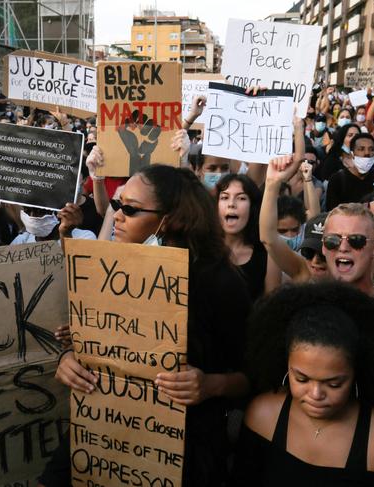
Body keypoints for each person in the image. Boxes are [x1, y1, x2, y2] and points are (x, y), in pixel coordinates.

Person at [51, 165, 252, 487]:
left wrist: (211, 385)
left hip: (179, 451)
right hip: (101, 430)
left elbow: (251, 376)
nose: (116, 216)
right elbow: (93, 349)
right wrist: (69, 361)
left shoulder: (220, 282)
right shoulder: (108, 269)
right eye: (117, 206)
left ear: (169, 219)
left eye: (129, 209)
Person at [230, 281, 374, 486]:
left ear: (357, 373)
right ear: (285, 365)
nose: (315, 394)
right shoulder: (263, 415)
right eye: (301, 379)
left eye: (333, 384)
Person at [261, 155, 329, 282]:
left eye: (294, 229)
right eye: (282, 231)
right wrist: (272, 183)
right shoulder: (274, 255)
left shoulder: (308, 266)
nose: (290, 235)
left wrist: (307, 180)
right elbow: (268, 238)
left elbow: (314, 213)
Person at [216, 174, 281, 300]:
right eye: (224, 197)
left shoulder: (268, 255)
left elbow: (271, 309)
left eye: (241, 198)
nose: (231, 204)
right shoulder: (201, 250)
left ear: (253, 207)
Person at [322, 202, 374, 307]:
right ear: (323, 247)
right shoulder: (308, 308)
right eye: (332, 240)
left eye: (356, 240)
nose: (343, 248)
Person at [326, 133, 374, 210]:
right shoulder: (338, 180)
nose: (367, 153)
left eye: (371, 149)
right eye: (361, 149)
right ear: (352, 154)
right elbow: (332, 212)